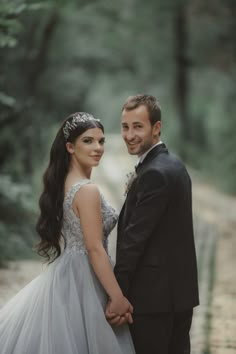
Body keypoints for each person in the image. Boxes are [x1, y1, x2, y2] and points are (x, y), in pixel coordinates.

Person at [0, 112, 135, 354]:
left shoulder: (64, 182)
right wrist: (117, 297)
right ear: (70, 147)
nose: (98, 148)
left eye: (101, 141)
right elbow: (94, 248)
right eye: (88, 141)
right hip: (84, 277)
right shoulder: (87, 190)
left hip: (67, 273)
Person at [106, 95, 199, 354]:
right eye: (125, 127)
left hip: (152, 299)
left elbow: (134, 240)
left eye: (138, 126)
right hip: (179, 295)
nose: (129, 134)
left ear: (156, 128)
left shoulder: (155, 173)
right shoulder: (175, 165)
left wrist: (118, 295)